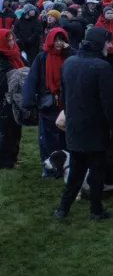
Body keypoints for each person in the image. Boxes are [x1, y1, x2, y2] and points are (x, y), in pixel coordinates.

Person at [54, 27, 113, 220]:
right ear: (99, 43)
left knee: (76, 169)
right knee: (96, 171)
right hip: (96, 127)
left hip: (75, 125)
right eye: (108, 41)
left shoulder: (69, 63)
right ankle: (95, 210)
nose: (110, 46)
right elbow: (108, 102)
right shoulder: (102, 67)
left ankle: (63, 209)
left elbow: (63, 95)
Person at [22, 27, 73, 176]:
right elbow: (32, 79)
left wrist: (69, 50)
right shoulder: (42, 58)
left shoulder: (69, 56)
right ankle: (49, 168)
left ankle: (66, 167)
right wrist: (27, 101)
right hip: (48, 104)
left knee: (66, 137)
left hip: (66, 103)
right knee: (47, 138)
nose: (59, 43)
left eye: (61, 40)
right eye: (56, 40)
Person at [0, 28, 26, 168]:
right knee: (7, 131)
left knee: (16, 129)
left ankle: (13, 156)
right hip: (5, 100)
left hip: (15, 98)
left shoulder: (15, 54)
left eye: (12, 40)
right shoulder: (2, 59)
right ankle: (6, 161)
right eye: (8, 40)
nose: (11, 43)